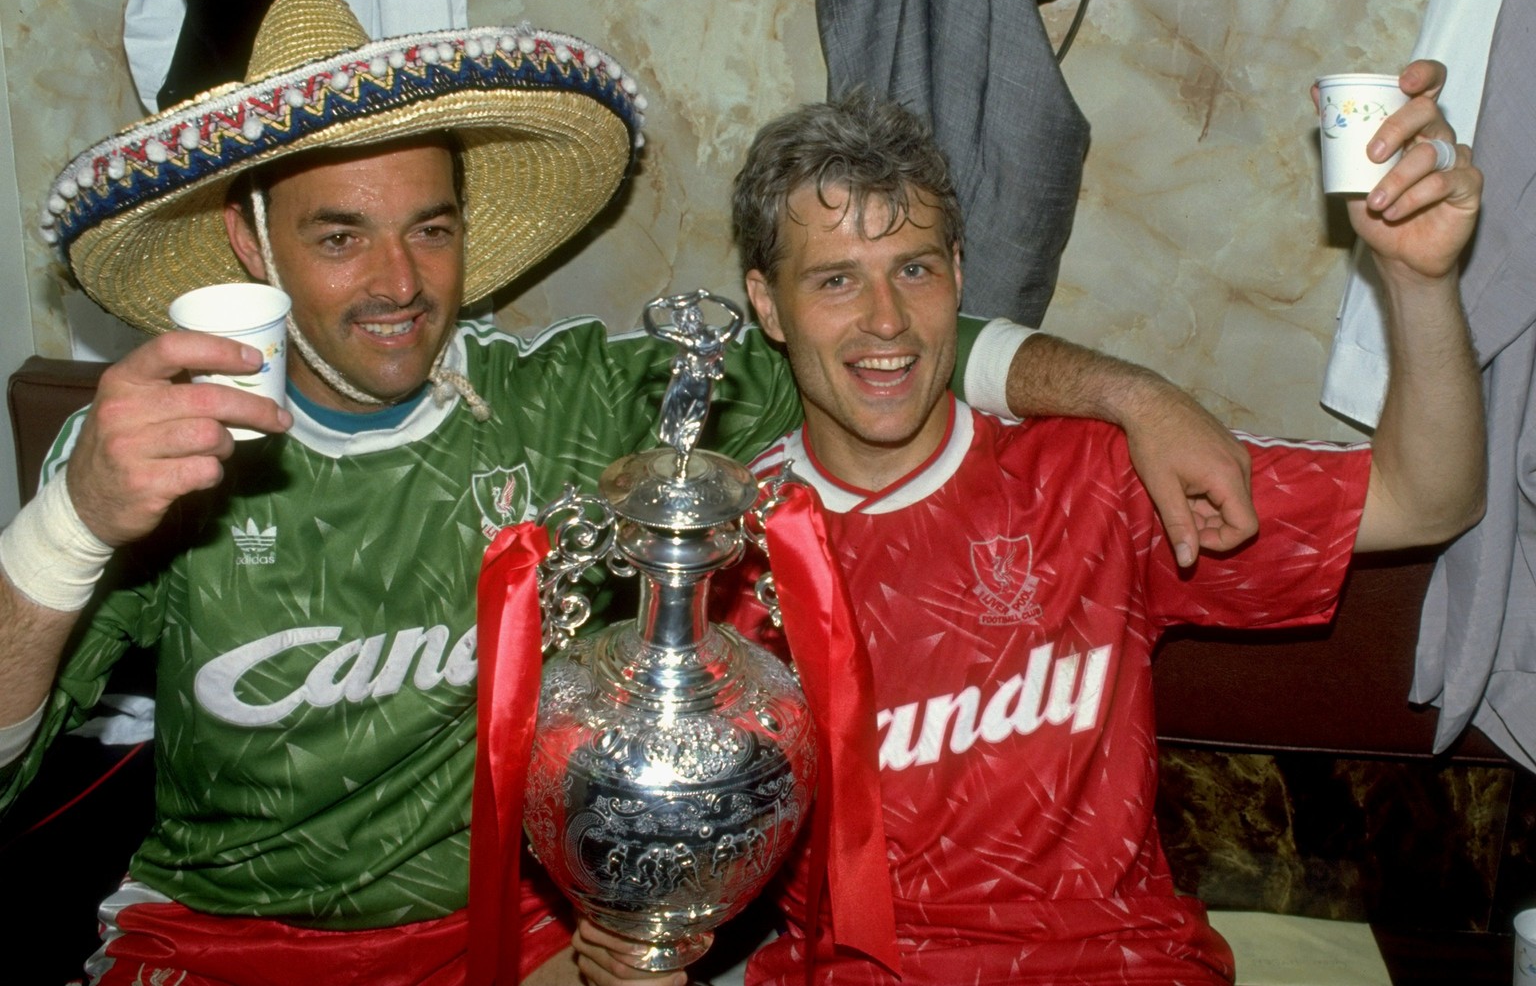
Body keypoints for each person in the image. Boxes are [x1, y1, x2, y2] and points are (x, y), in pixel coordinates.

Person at [0, 0, 1257, 985]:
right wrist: (68, 530)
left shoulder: (578, 403)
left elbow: (874, 343)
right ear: (250, 240)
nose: (398, 282)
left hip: (528, 942)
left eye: (430, 228)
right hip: (238, 946)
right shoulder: (150, 450)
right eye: (339, 235)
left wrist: (1135, 395)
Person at [570, 85, 1484, 985]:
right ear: (767, 306)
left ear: (961, 275)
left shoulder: (1100, 478)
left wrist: (1418, 278)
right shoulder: (719, 556)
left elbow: (1425, 499)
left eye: (915, 269)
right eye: (837, 280)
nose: (886, 321)